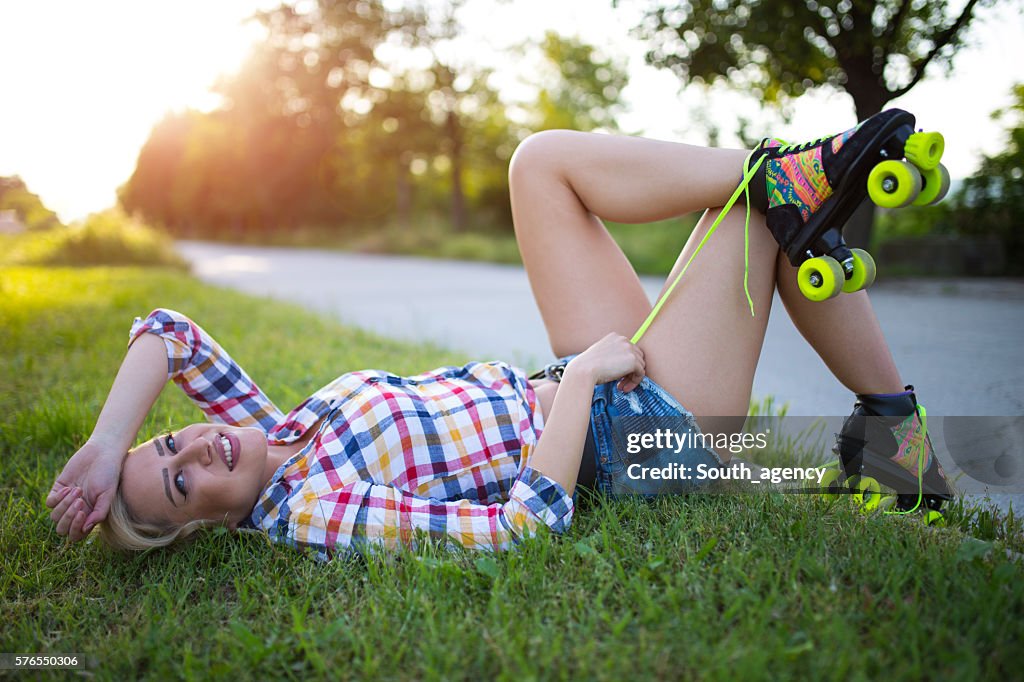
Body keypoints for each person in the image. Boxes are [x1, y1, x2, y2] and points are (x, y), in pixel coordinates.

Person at [47, 108, 953, 560]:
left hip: (579, 382)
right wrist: (592, 380)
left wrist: (107, 444)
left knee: (539, 165)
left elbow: (169, 332)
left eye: (172, 442)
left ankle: (793, 173)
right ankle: (898, 443)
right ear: (206, 521)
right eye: (180, 483)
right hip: (634, 438)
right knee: (759, 219)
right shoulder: (306, 509)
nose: (198, 451)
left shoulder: (279, 430)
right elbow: (519, 528)